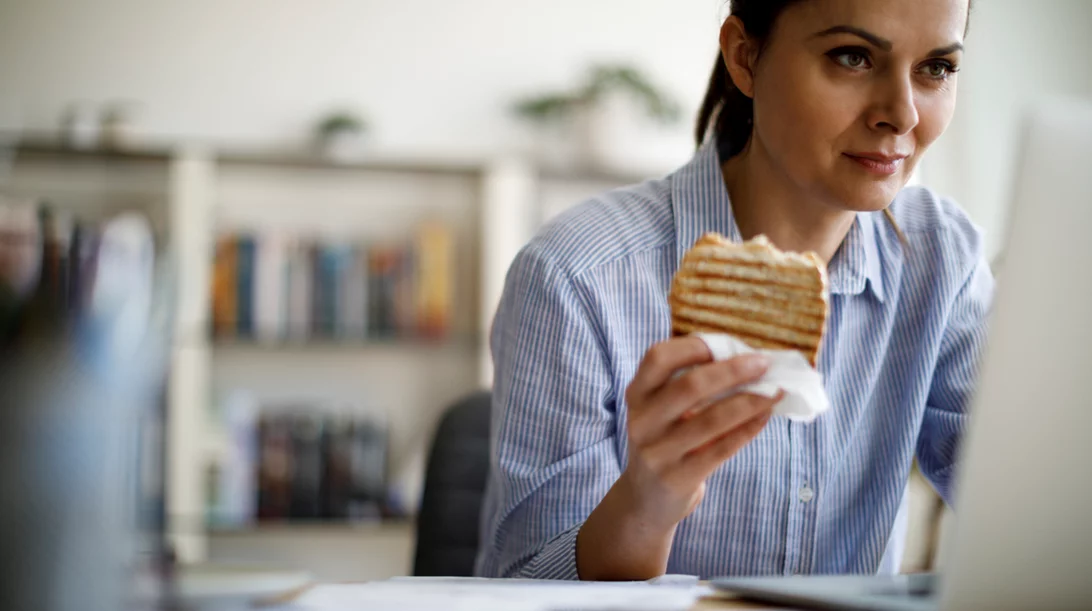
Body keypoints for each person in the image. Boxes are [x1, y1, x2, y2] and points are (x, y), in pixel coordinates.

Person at [476, 0, 990, 581]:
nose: (901, 115)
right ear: (745, 57)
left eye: (937, 69)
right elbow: (523, 584)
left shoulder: (945, 260)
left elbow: (1024, 509)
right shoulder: (577, 276)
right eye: (853, 57)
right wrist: (647, 503)